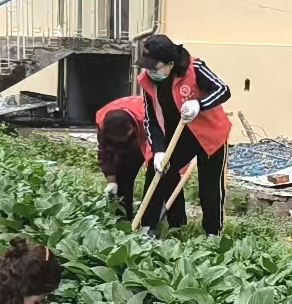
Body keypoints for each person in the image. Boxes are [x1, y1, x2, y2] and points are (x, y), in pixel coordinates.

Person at [135, 34, 232, 235]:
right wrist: (159, 151)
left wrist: (199, 104)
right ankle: (157, 227)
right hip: (179, 136)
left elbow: (223, 90)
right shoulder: (147, 82)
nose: (150, 72)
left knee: (210, 187)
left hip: (210, 135)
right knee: (159, 172)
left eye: (155, 67)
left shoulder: (195, 68)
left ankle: (213, 234)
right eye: (148, 67)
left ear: (170, 63)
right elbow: (151, 119)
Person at [95, 94, 152, 220]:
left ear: (130, 130)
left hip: (148, 128)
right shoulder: (102, 120)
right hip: (130, 124)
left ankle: (153, 217)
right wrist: (112, 182)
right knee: (122, 172)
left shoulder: (148, 114)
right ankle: (123, 217)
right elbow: (105, 153)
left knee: (156, 173)